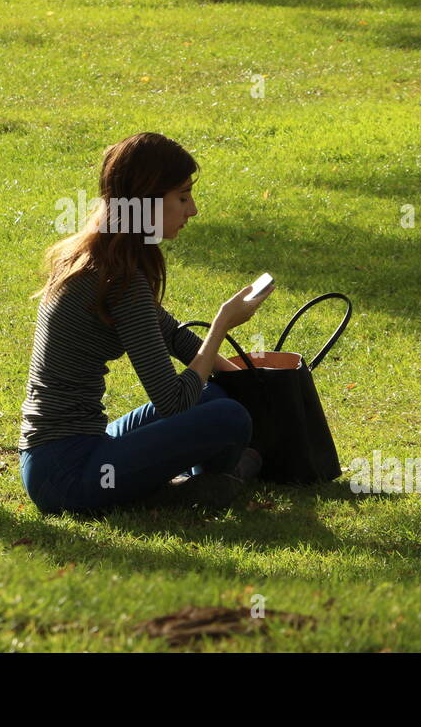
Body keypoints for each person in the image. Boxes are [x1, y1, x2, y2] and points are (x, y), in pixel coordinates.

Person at [19, 132, 272, 515]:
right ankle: (200, 486)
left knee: (215, 396)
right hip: (68, 474)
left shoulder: (100, 256)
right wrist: (221, 325)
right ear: (147, 201)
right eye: (183, 197)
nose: (193, 210)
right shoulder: (119, 280)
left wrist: (250, 379)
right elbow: (172, 401)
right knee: (228, 416)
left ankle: (198, 483)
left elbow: (172, 336)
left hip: (67, 457)